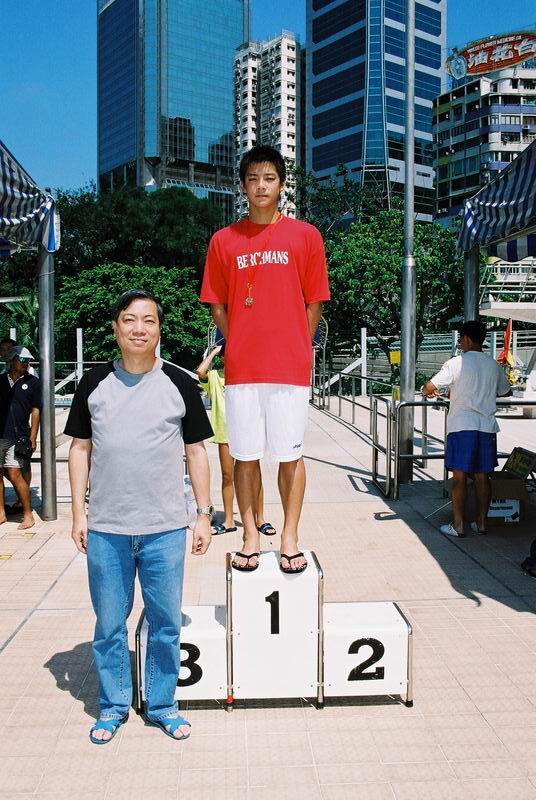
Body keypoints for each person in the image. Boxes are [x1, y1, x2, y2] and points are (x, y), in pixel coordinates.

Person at [65, 289, 214, 744]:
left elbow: (196, 452)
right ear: (115, 328)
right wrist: (78, 513)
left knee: (166, 624)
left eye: (148, 320)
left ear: (159, 329)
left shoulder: (180, 383)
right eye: (129, 319)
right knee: (109, 625)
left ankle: (163, 704)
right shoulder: (93, 384)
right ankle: (113, 706)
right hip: (107, 528)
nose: (139, 329)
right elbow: (79, 449)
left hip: (164, 528)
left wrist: (203, 514)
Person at [200, 144, 330, 574]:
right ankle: (251, 536)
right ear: (242, 186)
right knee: (245, 455)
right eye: (253, 179)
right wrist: (237, 340)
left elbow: (315, 301)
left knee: (290, 455)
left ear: (282, 185)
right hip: (242, 370)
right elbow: (216, 303)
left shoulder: (306, 236)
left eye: (269, 178)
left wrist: (298, 344)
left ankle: (290, 536)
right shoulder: (223, 240)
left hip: (289, 368)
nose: (261, 186)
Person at [423, 320, 510, 537]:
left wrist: (431, 391)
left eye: (461, 339)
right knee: (482, 476)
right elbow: (505, 391)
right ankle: (482, 522)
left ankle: (458, 525)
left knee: (459, 476)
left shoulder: (456, 363)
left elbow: (428, 387)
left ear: (467, 338)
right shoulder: (493, 365)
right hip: (486, 426)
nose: (460, 343)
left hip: (461, 425)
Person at [196, 343, 276, 537]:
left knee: (254, 474)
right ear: (223, 358)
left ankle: (260, 519)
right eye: (227, 355)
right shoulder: (215, 377)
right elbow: (200, 371)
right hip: (225, 433)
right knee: (228, 476)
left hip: (247, 431)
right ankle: (229, 520)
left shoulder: (246, 376)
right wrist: (215, 351)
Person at [0, 346, 41, 529]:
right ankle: (1, 513)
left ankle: (28, 514)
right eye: (22, 359)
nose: (26, 363)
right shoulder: (1, 380)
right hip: (1, 435)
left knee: (14, 474)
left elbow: (36, 410)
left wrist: (33, 437)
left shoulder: (33, 382)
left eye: (28, 360)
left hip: (18, 436)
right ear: (12, 360)